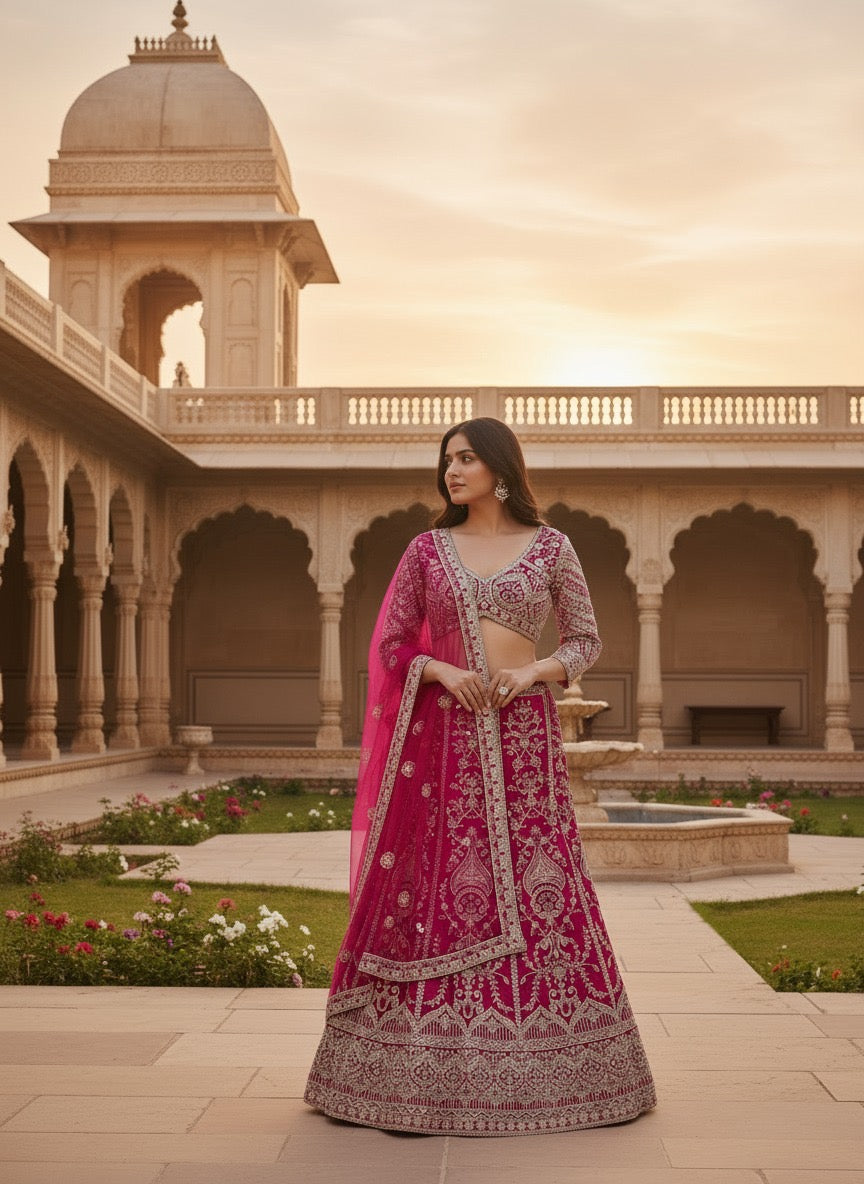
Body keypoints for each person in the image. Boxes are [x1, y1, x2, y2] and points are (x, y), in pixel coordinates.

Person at [304, 417, 656, 1135]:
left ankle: (563, 1070)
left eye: (465, 458)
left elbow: (585, 639)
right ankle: (407, 1072)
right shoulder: (426, 551)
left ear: (500, 469)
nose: (452, 471)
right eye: (447, 461)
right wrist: (439, 670)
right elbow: (391, 645)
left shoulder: (553, 548)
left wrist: (534, 671)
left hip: (524, 741)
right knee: (437, 887)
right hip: (442, 744)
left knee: (541, 885)